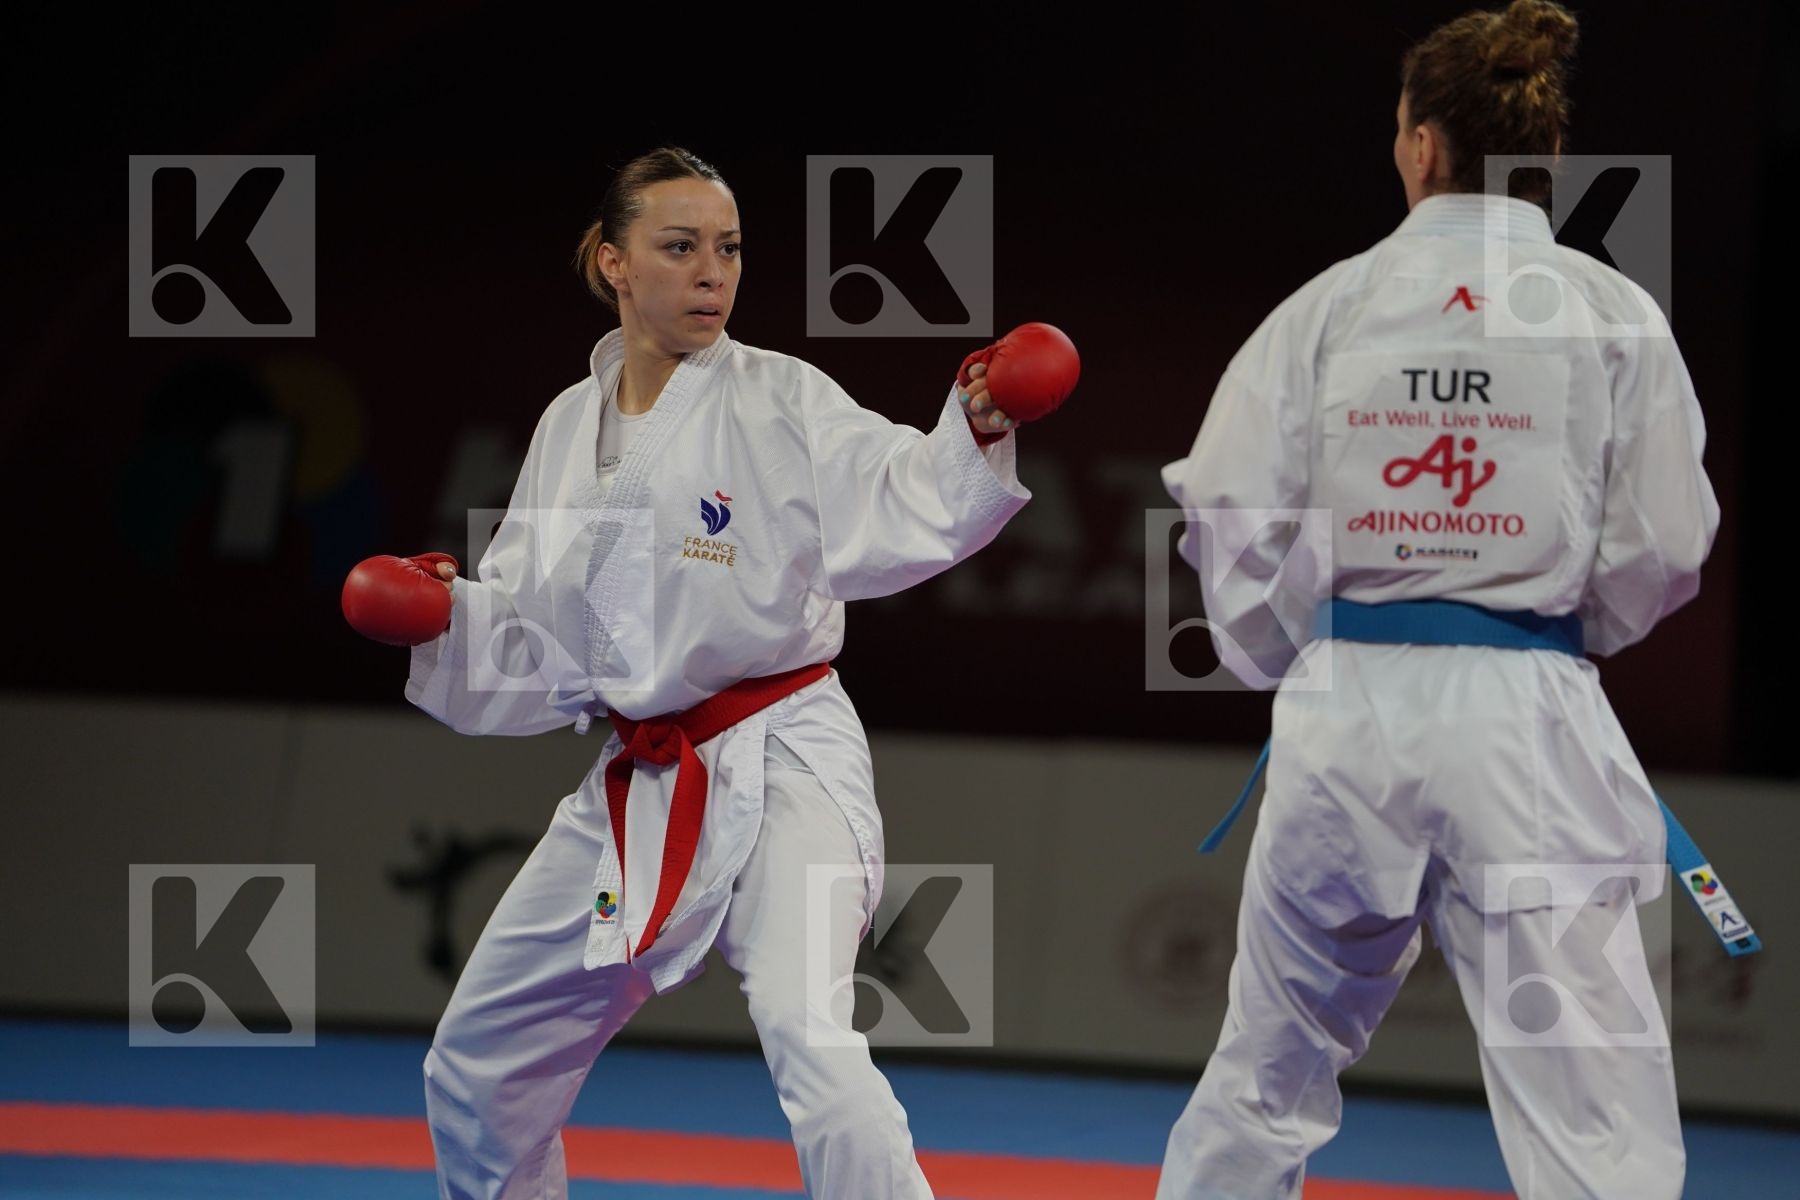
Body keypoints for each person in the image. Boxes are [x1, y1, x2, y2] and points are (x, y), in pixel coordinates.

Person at [370, 145, 1059, 1199]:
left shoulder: (780, 399)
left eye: (728, 250)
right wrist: (441, 616)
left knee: (809, 1030)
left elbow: (897, 490)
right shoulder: (570, 423)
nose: (712, 273)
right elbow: (537, 624)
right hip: (642, 777)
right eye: (680, 247)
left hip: (786, 757)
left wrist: (972, 423)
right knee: (480, 1054)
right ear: (614, 263)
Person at [1156, 3, 1716, 1197]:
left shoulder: (1328, 308)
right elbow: (1668, 544)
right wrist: (1558, 635)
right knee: (1590, 1096)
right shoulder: (1612, 314)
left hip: (1350, 713)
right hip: (1526, 715)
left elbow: (1228, 510)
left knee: (1268, 1068)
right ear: (1548, 161)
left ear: (1418, 145)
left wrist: (1286, 656)